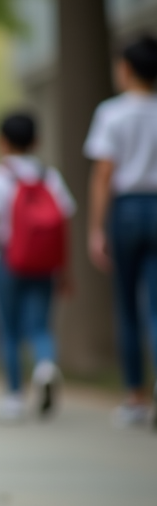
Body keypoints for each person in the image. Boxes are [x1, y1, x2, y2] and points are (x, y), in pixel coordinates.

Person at [0, 113, 75, 421]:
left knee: (7, 328)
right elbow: (64, 220)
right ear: (36, 141)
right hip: (45, 263)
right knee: (39, 324)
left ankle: (15, 396)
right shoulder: (50, 176)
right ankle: (45, 366)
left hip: (7, 259)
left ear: (1, 141)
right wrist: (63, 268)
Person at [84, 33, 157, 428]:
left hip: (127, 210)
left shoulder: (112, 113)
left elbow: (103, 174)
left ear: (125, 68)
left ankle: (135, 397)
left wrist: (97, 227)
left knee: (128, 308)